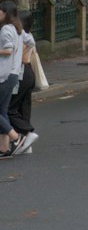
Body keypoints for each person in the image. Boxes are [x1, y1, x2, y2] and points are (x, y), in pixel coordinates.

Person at [8, 12, 38, 154]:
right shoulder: (29, 37)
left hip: (21, 74)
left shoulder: (21, 38)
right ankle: (26, 144)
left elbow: (20, 58)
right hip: (29, 74)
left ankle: (27, 132)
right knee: (24, 107)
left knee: (10, 109)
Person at [0, 1, 25, 159]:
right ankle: (4, 148)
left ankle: (17, 138)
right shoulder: (18, 29)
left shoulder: (5, 29)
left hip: (5, 74)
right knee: (2, 111)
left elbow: (8, 51)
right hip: (14, 73)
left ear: (5, 13)